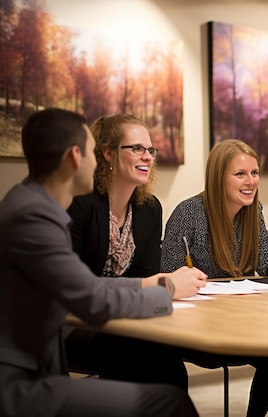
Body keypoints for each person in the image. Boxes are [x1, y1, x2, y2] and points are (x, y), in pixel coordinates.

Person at [0, 108, 202, 417]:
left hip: (39, 364)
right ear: (74, 157)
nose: (147, 157)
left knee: (166, 368)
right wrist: (168, 287)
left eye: (150, 150)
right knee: (169, 400)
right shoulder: (34, 215)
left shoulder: (33, 204)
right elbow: (91, 297)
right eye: (92, 152)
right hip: (18, 383)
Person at [161, 139, 268, 417]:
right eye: (241, 174)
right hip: (200, 330)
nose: (251, 181)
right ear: (218, 177)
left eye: (255, 173)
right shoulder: (188, 213)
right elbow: (169, 275)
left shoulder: (253, 210)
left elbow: (266, 258)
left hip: (242, 323)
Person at [64, 114, 205, 389]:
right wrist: (161, 284)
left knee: (168, 355)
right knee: (147, 354)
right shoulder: (79, 203)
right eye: (137, 149)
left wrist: (157, 284)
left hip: (127, 317)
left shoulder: (149, 208)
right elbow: (75, 288)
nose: (147, 157)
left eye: (150, 150)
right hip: (75, 322)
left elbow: (147, 274)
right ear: (108, 154)